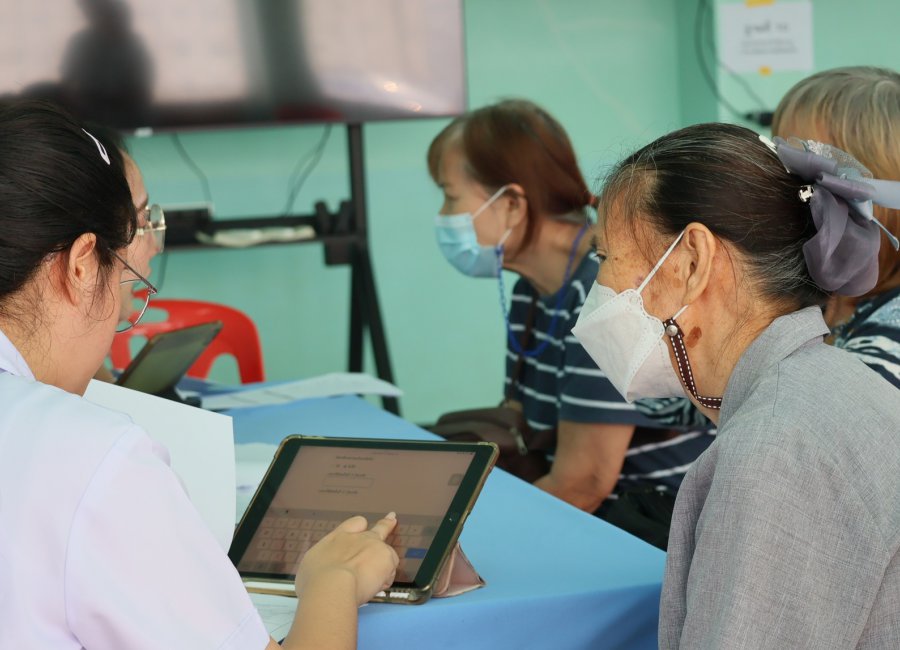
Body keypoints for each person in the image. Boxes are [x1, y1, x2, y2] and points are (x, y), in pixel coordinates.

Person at [0, 99, 399, 649]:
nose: (119, 311)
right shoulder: (94, 458)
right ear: (82, 264)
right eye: (122, 270)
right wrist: (334, 579)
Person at [573, 121, 900, 647]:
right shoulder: (829, 388)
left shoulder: (774, 449)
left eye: (604, 256)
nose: (598, 287)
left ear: (691, 262)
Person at [427, 99, 715, 525]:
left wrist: (455, 534)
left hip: (644, 525)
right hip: (577, 511)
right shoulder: (530, 290)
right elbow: (522, 426)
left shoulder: (600, 293)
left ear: (512, 204)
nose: (442, 216)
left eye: (450, 197)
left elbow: (583, 484)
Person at [773, 66, 900, 387]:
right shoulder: (821, 296)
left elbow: (809, 410)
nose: (782, 190)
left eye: (802, 175)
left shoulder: (890, 335)